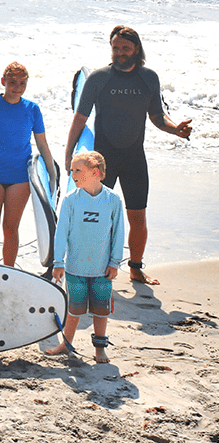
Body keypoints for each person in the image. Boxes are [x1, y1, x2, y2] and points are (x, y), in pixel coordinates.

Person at [66, 25, 192, 286]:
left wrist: (175, 129)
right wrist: (69, 156)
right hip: (102, 161)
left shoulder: (148, 78)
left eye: (125, 48)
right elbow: (80, 118)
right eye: (116, 48)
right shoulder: (98, 78)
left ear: (136, 49)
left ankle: (135, 269)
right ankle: (91, 266)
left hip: (134, 157)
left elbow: (157, 116)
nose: (120, 52)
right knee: (95, 214)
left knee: (137, 216)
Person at [45, 151, 126, 363]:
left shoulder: (112, 200)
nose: (72, 174)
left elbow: (118, 233)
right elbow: (61, 233)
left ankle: (100, 349)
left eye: (78, 170)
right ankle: (66, 345)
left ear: (95, 172)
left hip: (102, 269)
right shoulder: (71, 200)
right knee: (74, 310)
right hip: (75, 268)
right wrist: (58, 262)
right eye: (72, 170)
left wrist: (115, 261)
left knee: (101, 312)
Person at [0, 62, 56, 267]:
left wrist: (52, 173)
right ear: (3, 81)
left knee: (11, 228)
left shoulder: (32, 109)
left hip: (20, 177)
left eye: (22, 83)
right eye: (12, 82)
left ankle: (8, 272)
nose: (17, 88)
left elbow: (41, 143)